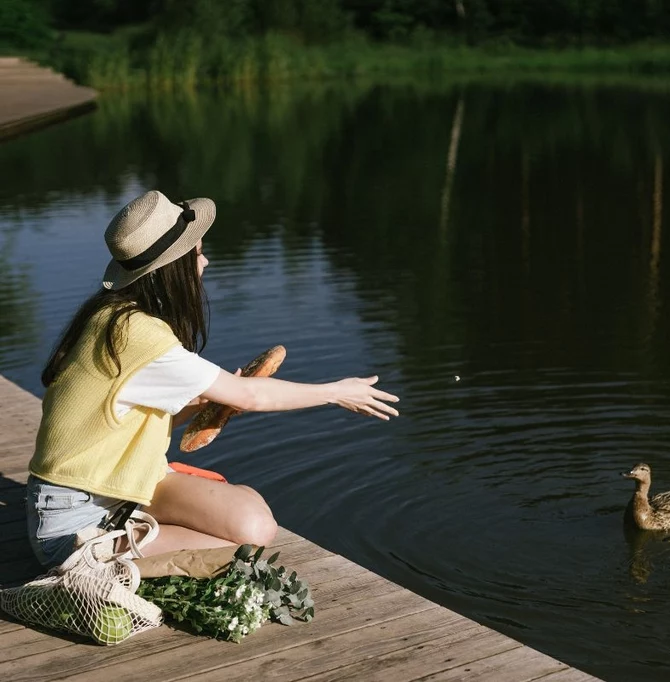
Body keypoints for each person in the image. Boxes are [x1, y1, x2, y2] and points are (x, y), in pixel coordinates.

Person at [27, 190, 400, 568]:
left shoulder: (112, 316)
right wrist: (338, 392)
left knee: (250, 509)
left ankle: (133, 536)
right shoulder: (138, 335)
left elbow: (127, 424)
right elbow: (251, 395)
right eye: (197, 252)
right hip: (75, 524)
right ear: (172, 268)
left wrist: (203, 402)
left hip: (115, 488)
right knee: (251, 535)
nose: (204, 261)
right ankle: (95, 557)